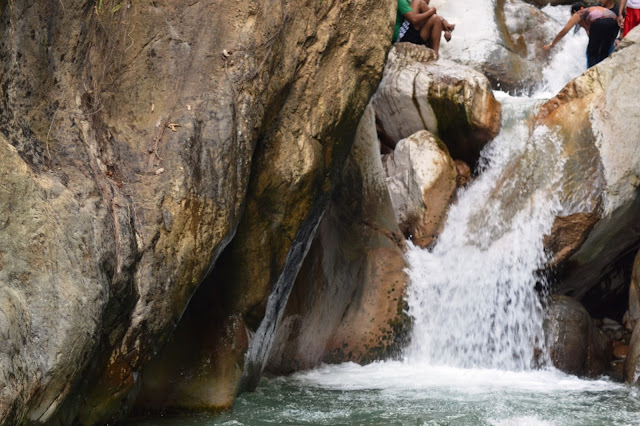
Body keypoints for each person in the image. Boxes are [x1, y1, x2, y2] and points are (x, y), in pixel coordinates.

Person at [543, 2, 619, 68]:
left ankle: (591, 75)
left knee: (591, 53)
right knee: (604, 51)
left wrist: (552, 45)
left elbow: (564, 31)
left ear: (574, 11)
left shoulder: (579, 13)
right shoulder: (592, 12)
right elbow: (591, 33)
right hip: (615, 23)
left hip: (600, 23)